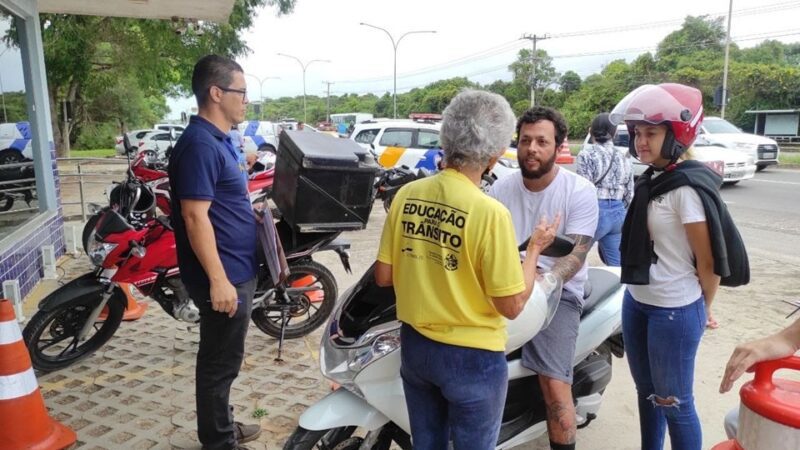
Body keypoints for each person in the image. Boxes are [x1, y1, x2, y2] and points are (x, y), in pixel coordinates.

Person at [375, 89, 559, 449]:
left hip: (416, 348)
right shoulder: (490, 214)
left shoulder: (407, 195)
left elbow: (384, 277)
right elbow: (511, 305)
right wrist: (534, 249)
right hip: (472, 360)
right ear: (493, 157)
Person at [614, 83, 747, 450]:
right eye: (637, 133)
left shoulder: (685, 187)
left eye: (651, 133)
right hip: (637, 300)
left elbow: (709, 262)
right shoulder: (652, 177)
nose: (641, 141)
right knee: (647, 394)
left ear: (677, 134)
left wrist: (703, 308)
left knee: (674, 403)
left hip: (673, 310)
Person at [489, 106, 598, 450]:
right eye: (525, 141)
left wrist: (546, 281)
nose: (532, 149)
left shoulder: (578, 191)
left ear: (558, 146)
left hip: (557, 293)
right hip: (507, 284)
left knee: (553, 382)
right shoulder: (501, 189)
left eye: (541, 141)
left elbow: (576, 256)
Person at [168, 55, 261, 450]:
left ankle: (222, 426)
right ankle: (219, 442)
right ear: (216, 92)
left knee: (225, 363)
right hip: (223, 277)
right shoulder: (200, 145)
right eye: (241, 93)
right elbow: (194, 217)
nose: (246, 101)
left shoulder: (220, 140)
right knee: (218, 366)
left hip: (237, 269)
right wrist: (219, 280)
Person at [576, 112, 633, 266]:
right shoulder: (623, 157)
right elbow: (629, 192)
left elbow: (584, 189)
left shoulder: (586, 154)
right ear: (614, 133)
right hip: (618, 213)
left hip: (596, 212)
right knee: (617, 266)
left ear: (590, 131)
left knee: (573, 259)